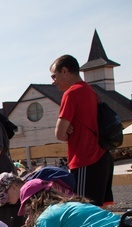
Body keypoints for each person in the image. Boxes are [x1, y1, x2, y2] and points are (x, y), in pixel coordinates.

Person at [50, 54, 114, 207]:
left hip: (86, 158)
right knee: (100, 209)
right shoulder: (90, 91)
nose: (53, 82)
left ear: (65, 71)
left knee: (84, 209)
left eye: (54, 76)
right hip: (102, 156)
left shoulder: (71, 93)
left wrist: (68, 131)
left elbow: (60, 134)